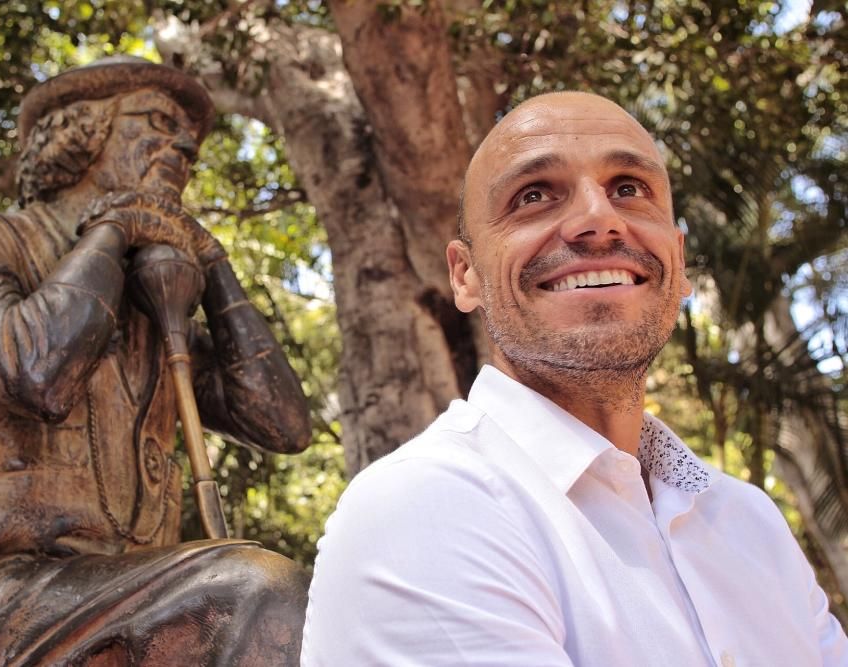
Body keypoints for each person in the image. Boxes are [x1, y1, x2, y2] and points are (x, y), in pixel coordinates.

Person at [301, 92, 848, 666]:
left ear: (680, 262)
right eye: (533, 196)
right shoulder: (423, 507)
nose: (598, 220)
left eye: (628, 189)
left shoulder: (749, 521)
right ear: (466, 277)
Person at [0, 57, 312, 666]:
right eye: (156, 121)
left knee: (308, 604)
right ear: (81, 133)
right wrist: (117, 225)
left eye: (190, 142)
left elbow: (282, 425)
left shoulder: (151, 313)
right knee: (257, 590)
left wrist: (213, 261)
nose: (181, 147)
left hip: (107, 600)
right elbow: (38, 372)